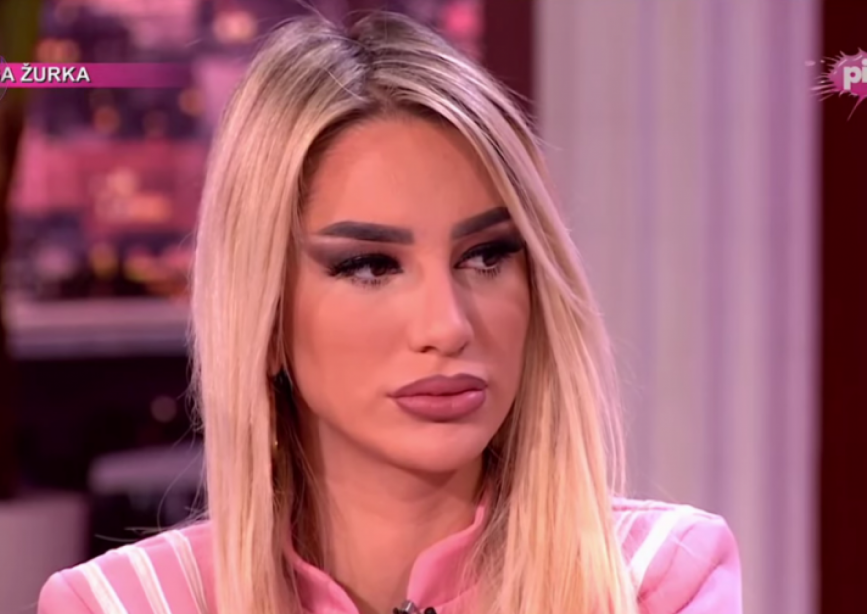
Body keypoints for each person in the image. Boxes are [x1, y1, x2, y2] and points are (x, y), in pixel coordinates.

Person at [37, 10, 742, 614]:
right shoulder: (125, 604)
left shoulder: (654, 581)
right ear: (266, 316)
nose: (447, 326)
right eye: (369, 266)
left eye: (486, 256)